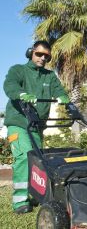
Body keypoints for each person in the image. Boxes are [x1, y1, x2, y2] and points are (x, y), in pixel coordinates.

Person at [3, 40, 70, 213]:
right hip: (18, 123)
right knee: (24, 157)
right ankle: (20, 201)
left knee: (38, 161)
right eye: (39, 54)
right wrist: (21, 94)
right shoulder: (18, 70)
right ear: (30, 53)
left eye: (46, 56)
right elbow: (9, 85)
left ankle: (37, 194)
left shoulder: (49, 76)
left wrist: (63, 98)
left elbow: (59, 90)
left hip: (36, 125)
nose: (42, 58)